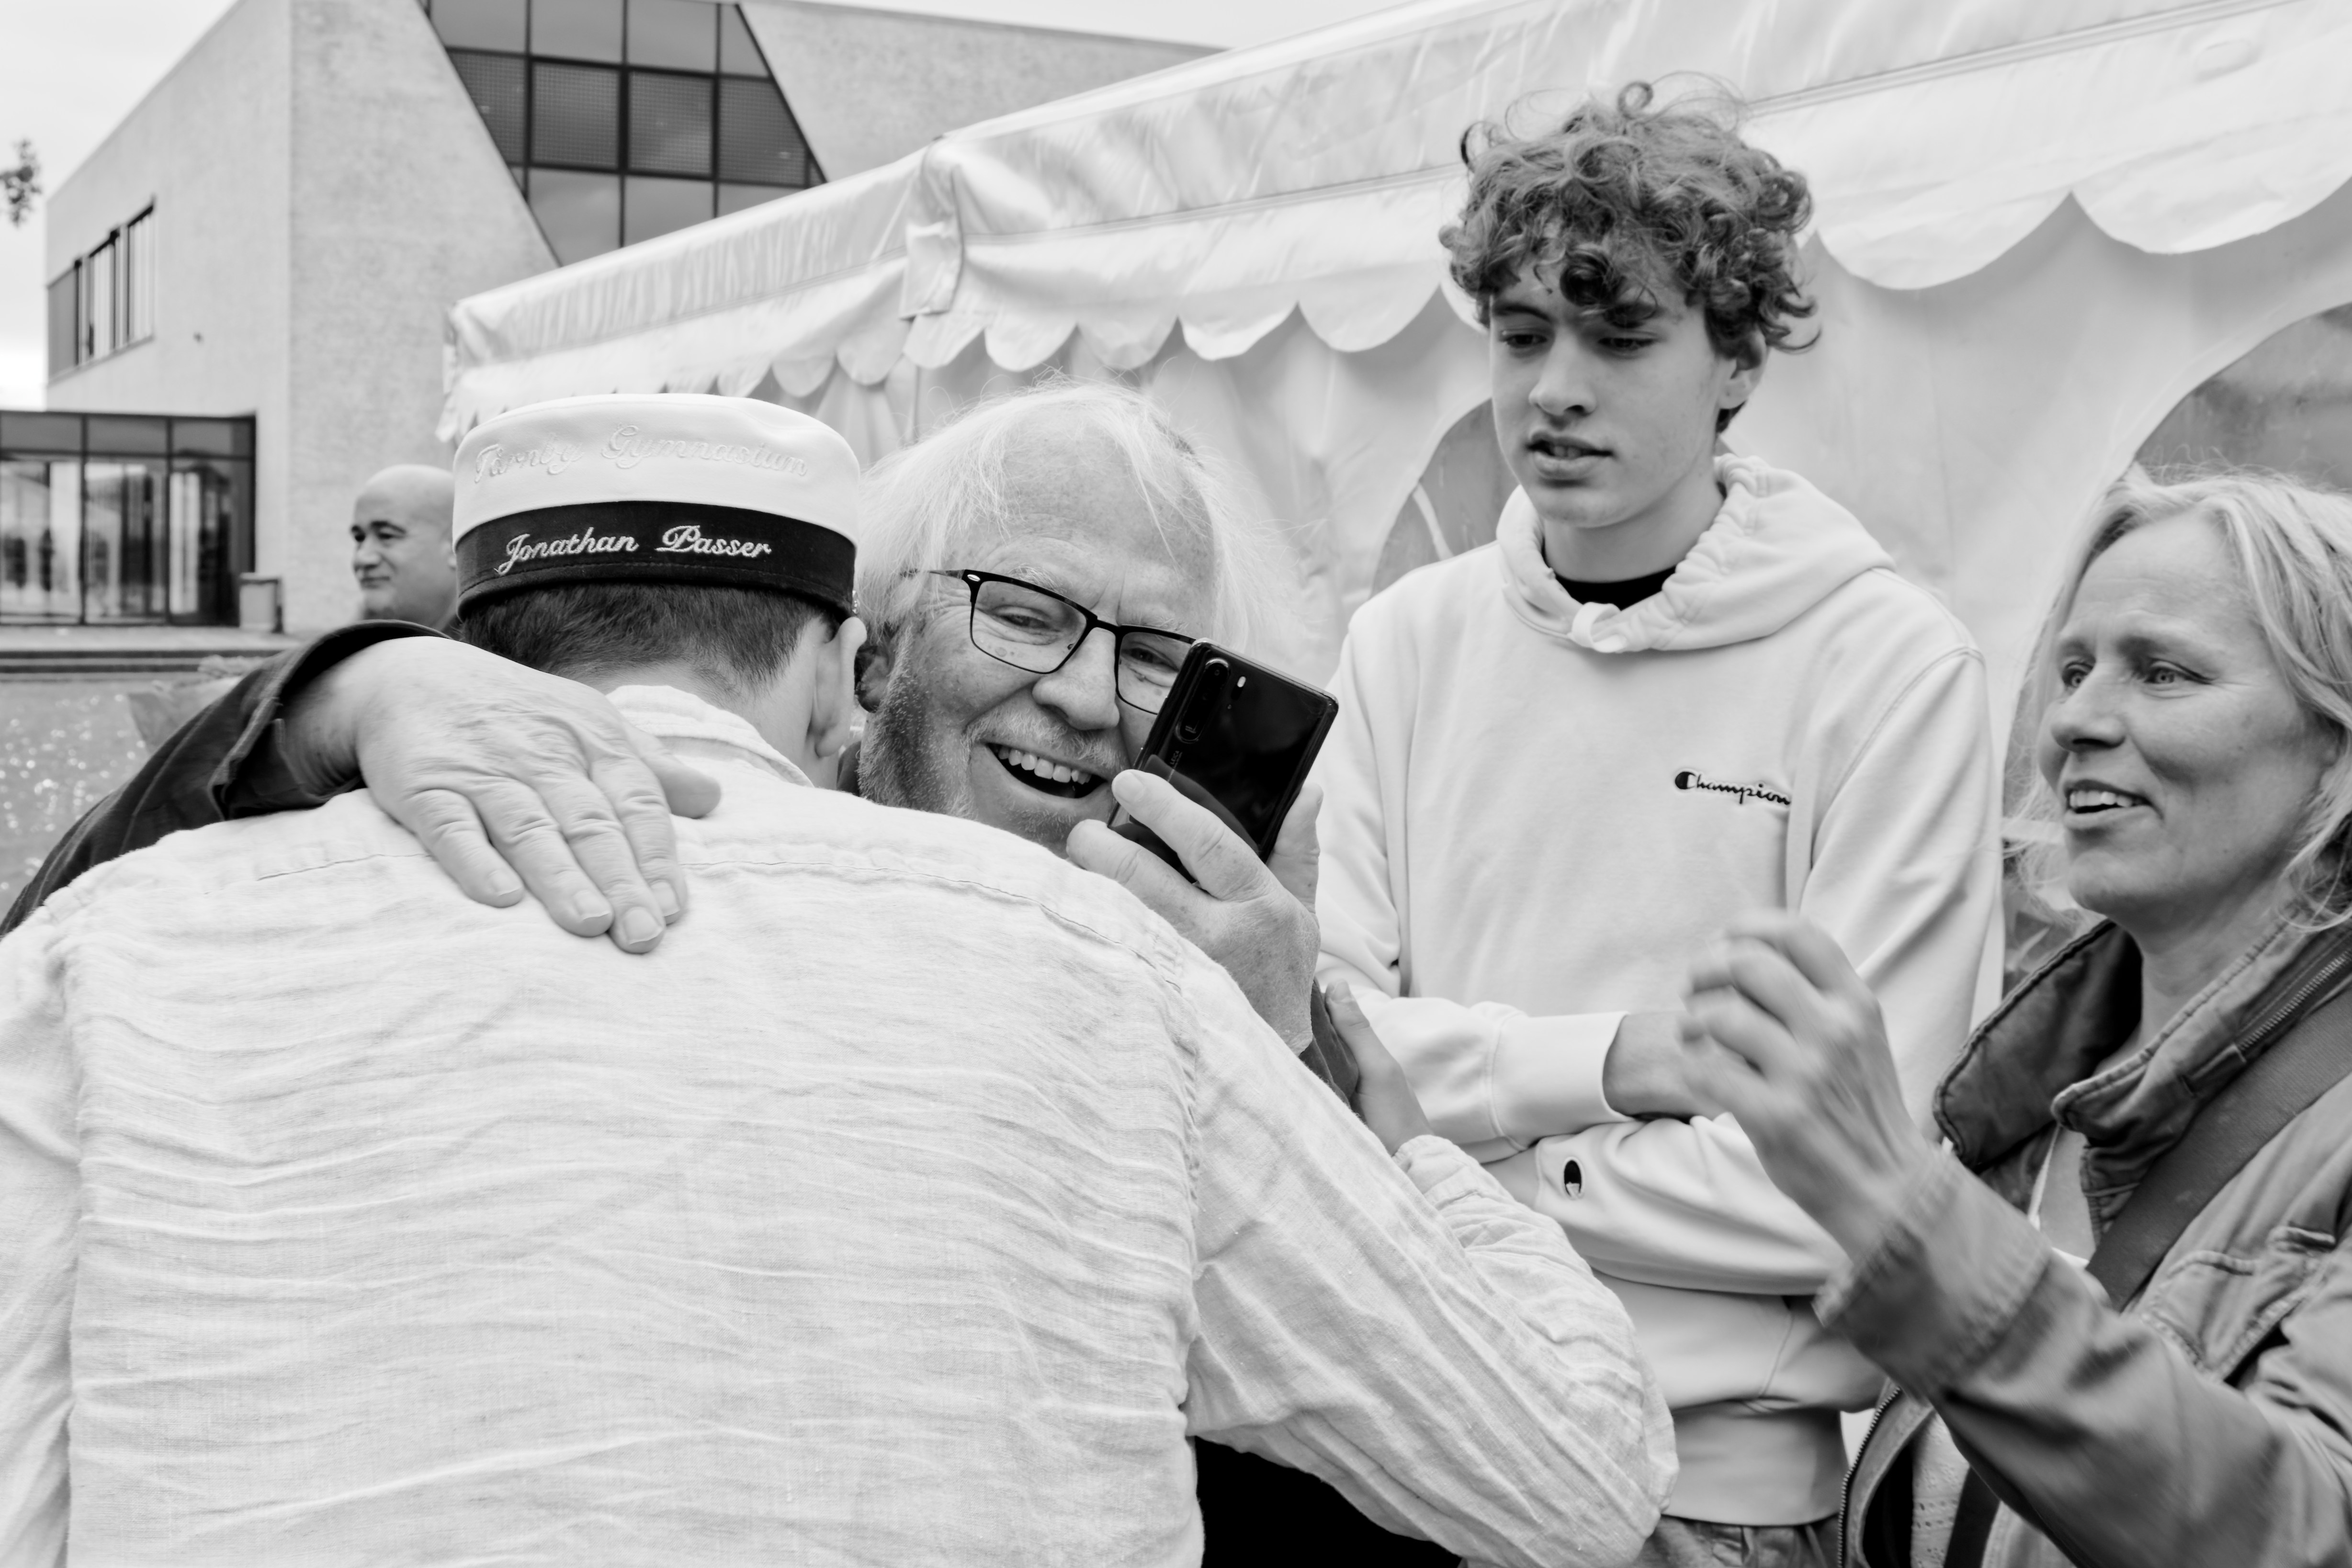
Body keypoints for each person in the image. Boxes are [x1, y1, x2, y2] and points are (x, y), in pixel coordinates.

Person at [0, 392, 1674, 1567]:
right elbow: (1569, 1475)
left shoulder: (117, 959)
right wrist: (1394, 1142)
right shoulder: (1113, 990)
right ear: (849, 666)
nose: (1090, 696)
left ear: (478, 643)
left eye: (1155, 652)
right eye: (1025, 612)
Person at [1309, 86, 2000, 1566]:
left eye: (1618, 338)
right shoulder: (1402, 642)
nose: (1553, 388)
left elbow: (1845, 1190)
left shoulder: (1887, 668)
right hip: (1399, 1459)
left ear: (1739, 357)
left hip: (1708, 1508)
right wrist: (1617, 1060)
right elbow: (1331, 1057)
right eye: (1518, 336)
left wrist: (1446, 1150)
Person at [1681, 471, 2352, 1568]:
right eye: (2073, 668)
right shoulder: (2021, 1103)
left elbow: (2304, 1530)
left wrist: (1895, 1202)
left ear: (2332, 737)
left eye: (2163, 671)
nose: (2071, 720)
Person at [351, 462, 460, 628]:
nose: (362, 558)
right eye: (359, 538)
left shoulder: (493, 642)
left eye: (386, 535)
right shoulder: (348, 643)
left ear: (455, 545)